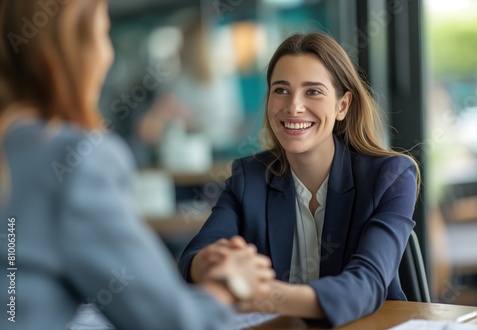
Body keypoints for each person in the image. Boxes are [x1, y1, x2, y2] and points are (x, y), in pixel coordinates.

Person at [0, 1, 275, 329]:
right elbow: (172, 322)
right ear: (76, 44)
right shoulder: (77, 158)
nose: (109, 55)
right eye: (104, 34)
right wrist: (231, 283)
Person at [178, 32, 420, 328]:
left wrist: (264, 294)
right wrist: (215, 264)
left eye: (313, 92)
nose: (293, 106)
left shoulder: (391, 177)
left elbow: (366, 285)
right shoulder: (249, 177)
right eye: (281, 90)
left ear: (342, 106)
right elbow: (194, 256)